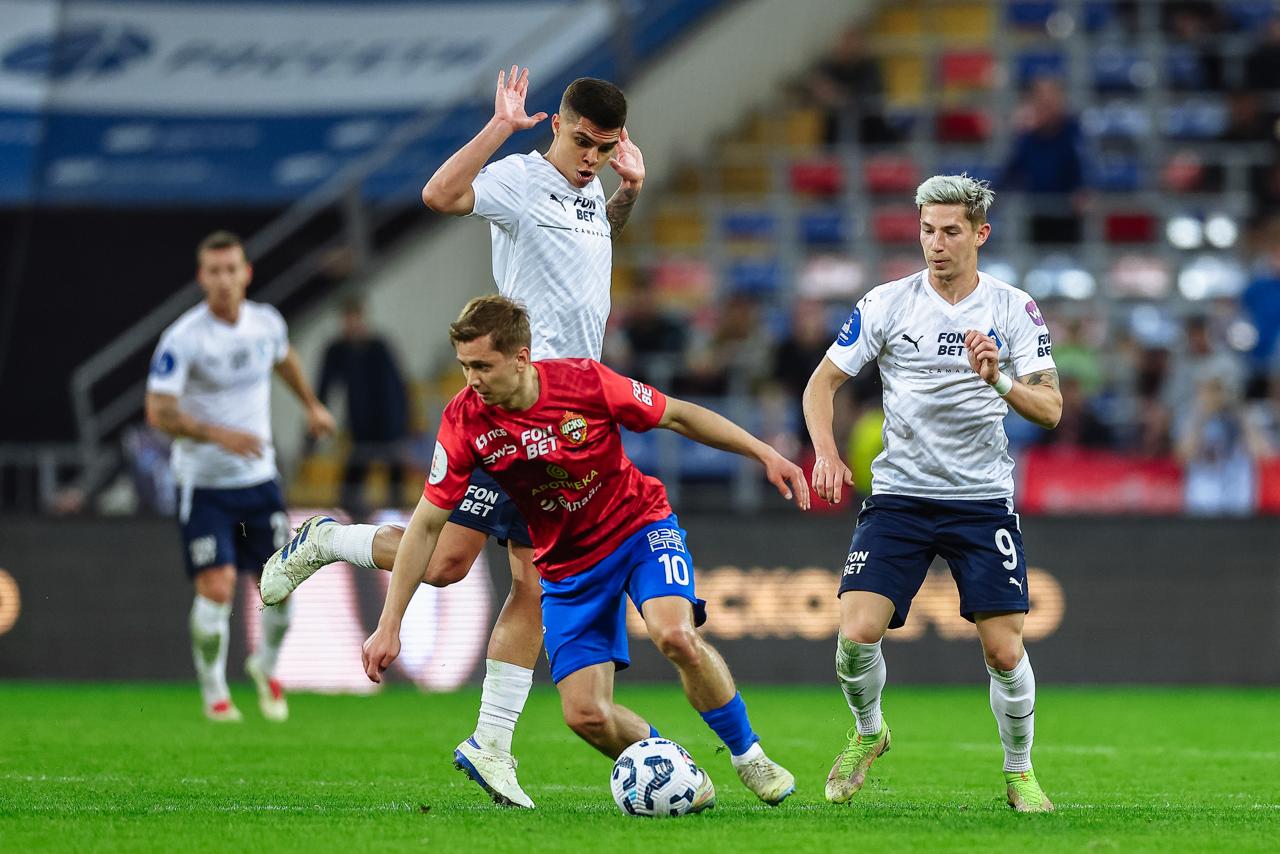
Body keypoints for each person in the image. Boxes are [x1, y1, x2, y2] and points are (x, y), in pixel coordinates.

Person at [264, 67, 645, 808]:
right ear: (558, 125)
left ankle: (491, 744)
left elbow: (599, 237)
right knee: (456, 567)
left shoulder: (595, 189)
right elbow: (439, 196)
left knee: (505, 578)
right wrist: (501, 126)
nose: (591, 155)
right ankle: (323, 541)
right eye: (582, 140)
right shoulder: (518, 180)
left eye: (605, 145)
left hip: (569, 419)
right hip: (511, 409)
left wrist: (627, 193)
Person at [264, 296, 808, 807]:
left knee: (674, 634)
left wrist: (764, 453)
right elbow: (426, 524)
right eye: (463, 366)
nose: (470, 380)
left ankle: (749, 756)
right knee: (586, 715)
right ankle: (674, 771)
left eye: (482, 366)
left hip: (638, 528)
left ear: (521, 358)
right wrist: (389, 624)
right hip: (569, 566)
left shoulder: (585, 383)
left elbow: (678, 415)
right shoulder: (464, 421)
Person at [802, 175, 1063, 812]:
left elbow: (1051, 409)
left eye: (950, 231)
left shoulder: (1012, 307)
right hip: (900, 497)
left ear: (980, 233)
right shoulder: (889, 303)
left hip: (980, 500)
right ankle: (869, 734)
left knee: (1004, 648)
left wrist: (998, 379)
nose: (936, 244)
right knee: (855, 635)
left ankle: (1019, 772)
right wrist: (827, 453)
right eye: (926, 231)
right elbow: (821, 385)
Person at [145, 230, 336, 722]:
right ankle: (214, 692)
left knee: (282, 586)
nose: (225, 280)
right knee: (216, 588)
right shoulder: (184, 338)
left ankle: (265, 666)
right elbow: (158, 411)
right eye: (215, 271)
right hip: (204, 485)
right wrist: (217, 435)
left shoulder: (265, 323)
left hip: (259, 482)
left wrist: (312, 405)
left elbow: (284, 358)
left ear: (246, 272)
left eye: (233, 269)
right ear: (202, 278)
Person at [317, 298, 410, 518]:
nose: (351, 324)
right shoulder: (337, 350)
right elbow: (324, 389)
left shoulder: (380, 347)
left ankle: (397, 528)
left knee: (395, 485)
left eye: (355, 318)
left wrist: (402, 425)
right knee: (350, 486)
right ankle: (352, 526)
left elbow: (397, 388)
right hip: (359, 430)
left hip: (389, 428)